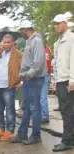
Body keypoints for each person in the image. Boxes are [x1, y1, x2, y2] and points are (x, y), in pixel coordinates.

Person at [11, 20, 47, 145]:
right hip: (28, 79)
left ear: (26, 29)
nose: (21, 32)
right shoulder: (29, 42)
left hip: (35, 79)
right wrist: (23, 75)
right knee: (26, 107)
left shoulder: (36, 41)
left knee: (35, 108)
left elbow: (38, 62)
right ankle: (22, 134)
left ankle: (36, 136)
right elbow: (28, 62)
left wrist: (28, 75)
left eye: (22, 30)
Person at [0, 34, 22, 141]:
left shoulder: (17, 53)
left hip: (9, 86)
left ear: (12, 43)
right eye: (4, 42)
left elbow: (23, 68)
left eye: (8, 42)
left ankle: (10, 131)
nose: (6, 44)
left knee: (10, 110)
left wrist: (20, 82)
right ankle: (1, 129)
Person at [52, 14, 74, 152]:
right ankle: (70, 138)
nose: (56, 26)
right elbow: (56, 64)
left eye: (58, 23)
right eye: (55, 23)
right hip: (60, 80)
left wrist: (72, 80)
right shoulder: (58, 42)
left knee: (67, 112)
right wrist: (55, 80)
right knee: (67, 111)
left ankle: (66, 141)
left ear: (65, 23)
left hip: (68, 80)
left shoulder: (71, 38)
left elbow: (73, 60)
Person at [14, 38, 26, 118]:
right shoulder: (17, 53)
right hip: (18, 77)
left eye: (16, 44)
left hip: (23, 77)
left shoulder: (23, 54)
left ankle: (21, 110)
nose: (15, 46)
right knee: (19, 95)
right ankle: (20, 110)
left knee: (22, 94)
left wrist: (21, 82)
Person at [41, 45, 52, 124]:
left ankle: (44, 116)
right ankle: (44, 115)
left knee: (42, 96)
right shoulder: (48, 48)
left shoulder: (39, 48)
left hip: (42, 74)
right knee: (43, 96)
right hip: (47, 73)